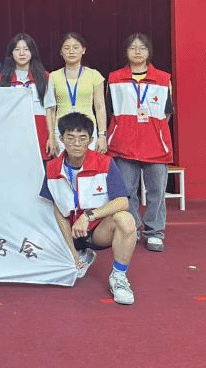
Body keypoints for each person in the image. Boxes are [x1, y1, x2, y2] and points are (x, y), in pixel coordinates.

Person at [40, 112, 137, 305]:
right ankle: (80, 253)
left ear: (91, 140)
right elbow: (58, 211)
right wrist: (71, 252)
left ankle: (118, 276)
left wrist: (88, 216)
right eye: (70, 138)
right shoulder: (52, 168)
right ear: (61, 139)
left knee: (126, 220)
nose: (76, 143)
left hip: (97, 231)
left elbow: (122, 202)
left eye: (82, 138)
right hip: (68, 232)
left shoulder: (105, 163)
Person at [107, 33, 174, 252]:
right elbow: (110, 110)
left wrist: (154, 132)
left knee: (157, 192)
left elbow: (167, 112)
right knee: (127, 191)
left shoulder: (163, 79)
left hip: (155, 145)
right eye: (132, 47)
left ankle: (155, 233)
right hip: (124, 145)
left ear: (149, 51)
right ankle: (133, 228)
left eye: (142, 47)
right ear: (126, 51)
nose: (137, 52)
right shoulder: (115, 78)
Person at [0, 33, 57, 160]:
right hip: (11, 132)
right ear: (11, 53)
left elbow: (49, 109)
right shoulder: (1, 79)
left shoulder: (44, 77)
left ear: (32, 52)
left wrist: (51, 137)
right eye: (17, 49)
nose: (22, 53)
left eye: (26, 49)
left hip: (39, 131)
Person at [48, 32, 108, 154]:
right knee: (63, 165)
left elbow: (100, 107)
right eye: (66, 48)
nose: (71, 51)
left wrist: (102, 135)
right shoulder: (53, 77)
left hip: (87, 130)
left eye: (75, 47)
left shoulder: (94, 75)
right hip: (62, 130)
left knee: (88, 164)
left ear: (83, 50)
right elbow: (51, 110)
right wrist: (51, 137)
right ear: (61, 52)